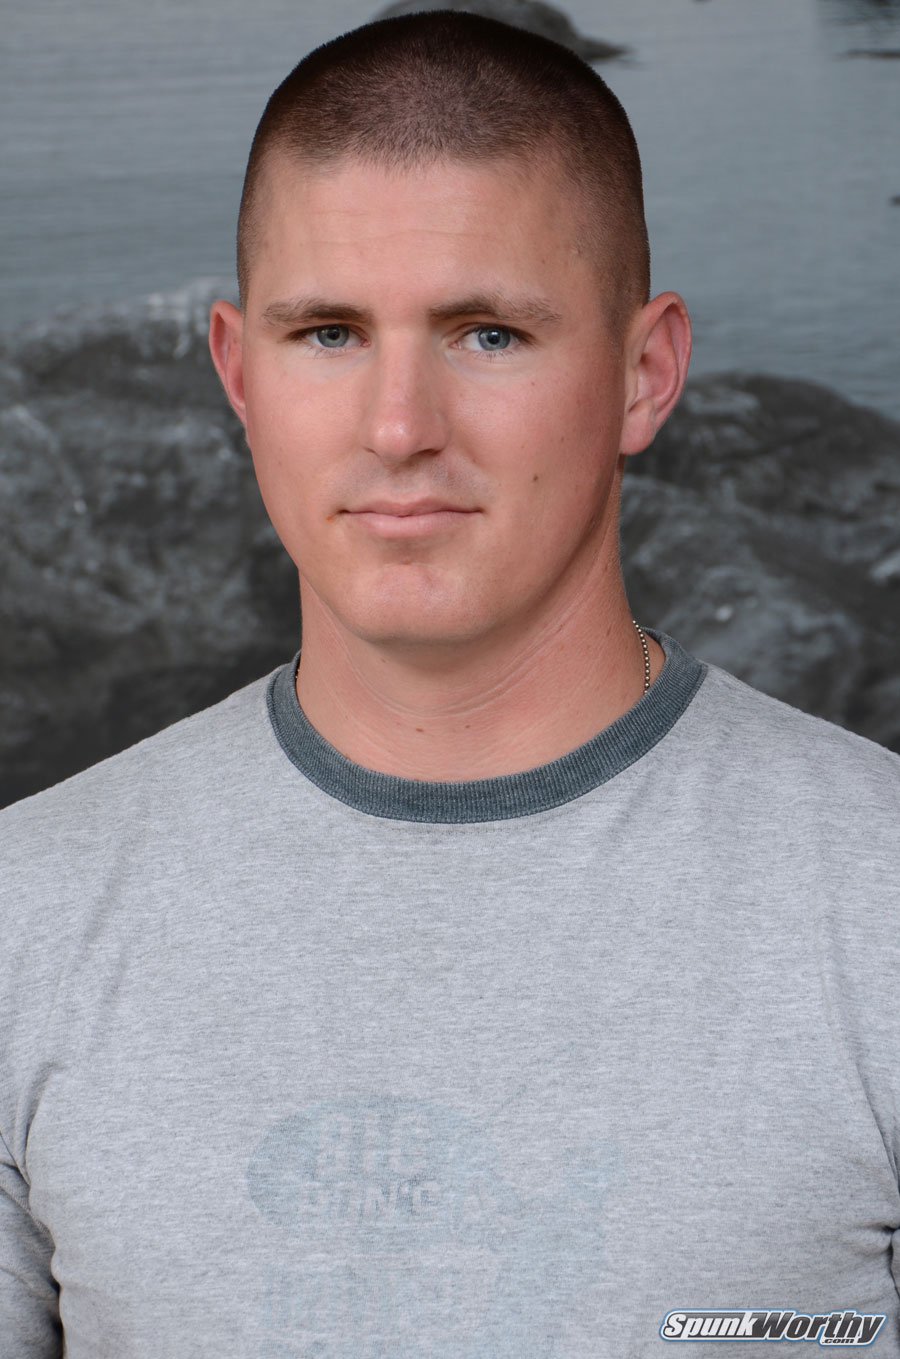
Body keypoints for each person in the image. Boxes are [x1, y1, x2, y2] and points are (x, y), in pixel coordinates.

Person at [2, 11, 899, 1357]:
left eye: (488, 334)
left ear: (645, 373)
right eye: (328, 334)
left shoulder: (878, 905)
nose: (400, 426)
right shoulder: (23, 919)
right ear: (237, 373)